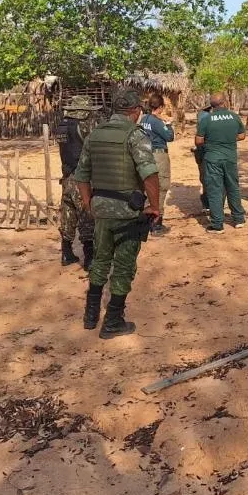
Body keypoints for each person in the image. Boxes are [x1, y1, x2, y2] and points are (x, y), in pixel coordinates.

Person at [73, 88, 161, 339]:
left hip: (101, 209)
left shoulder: (95, 134)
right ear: (134, 112)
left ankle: (90, 316)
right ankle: (113, 321)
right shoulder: (135, 135)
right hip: (127, 213)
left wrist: (90, 203)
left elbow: (81, 175)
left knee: (100, 260)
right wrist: (154, 207)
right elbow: (149, 173)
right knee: (123, 266)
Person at [56, 95, 101, 269]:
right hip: (82, 177)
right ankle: (89, 258)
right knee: (86, 214)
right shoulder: (84, 125)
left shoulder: (61, 126)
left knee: (68, 214)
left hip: (66, 175)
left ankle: (66, 253)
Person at [195, 92, 246, 232]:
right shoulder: (234, 116)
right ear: (225, 102)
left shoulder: (206, 119)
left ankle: (217, 224)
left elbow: (198, 141)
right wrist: (228, 139)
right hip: (230, 158)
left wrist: (212, 141)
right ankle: (239, 219)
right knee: (233, 187)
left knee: (215, 190)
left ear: (211, 105)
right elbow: (242, 135)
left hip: (212, 159)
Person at [139, 93, 175, 235]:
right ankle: (156, 223)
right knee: (161, 187)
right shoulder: (157, 121)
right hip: (158, 155)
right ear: (160, 107)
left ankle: (146, 220)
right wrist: (168, 124)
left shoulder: (143, 119)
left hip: (145, 154)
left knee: (147, 187)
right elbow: (169, 136)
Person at [192, 103, 213, 212]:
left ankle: (207, 202)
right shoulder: (207, 117)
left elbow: (198, 140)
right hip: (207, 151)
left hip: (202, 151)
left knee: (204, 177)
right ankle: (209, 202)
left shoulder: (202, 116)